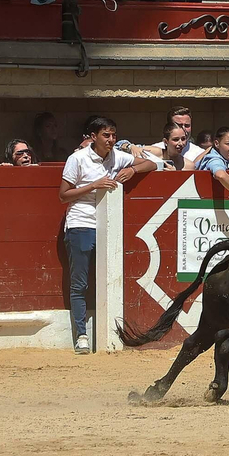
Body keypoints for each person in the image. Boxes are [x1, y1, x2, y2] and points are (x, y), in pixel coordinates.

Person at [59, 115, 152, 354]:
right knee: (80, 282)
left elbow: (151, 164)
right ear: (93, 137)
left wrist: (131, 169)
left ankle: (110, 331)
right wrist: (94, 185)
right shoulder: (77, 159)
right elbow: (63, 195)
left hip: (109, 224)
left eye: (113, 135)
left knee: (112, 278)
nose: (111, 140)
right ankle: (81, 335)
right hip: (81, 222)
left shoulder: (117, 157)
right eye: (106, 135)